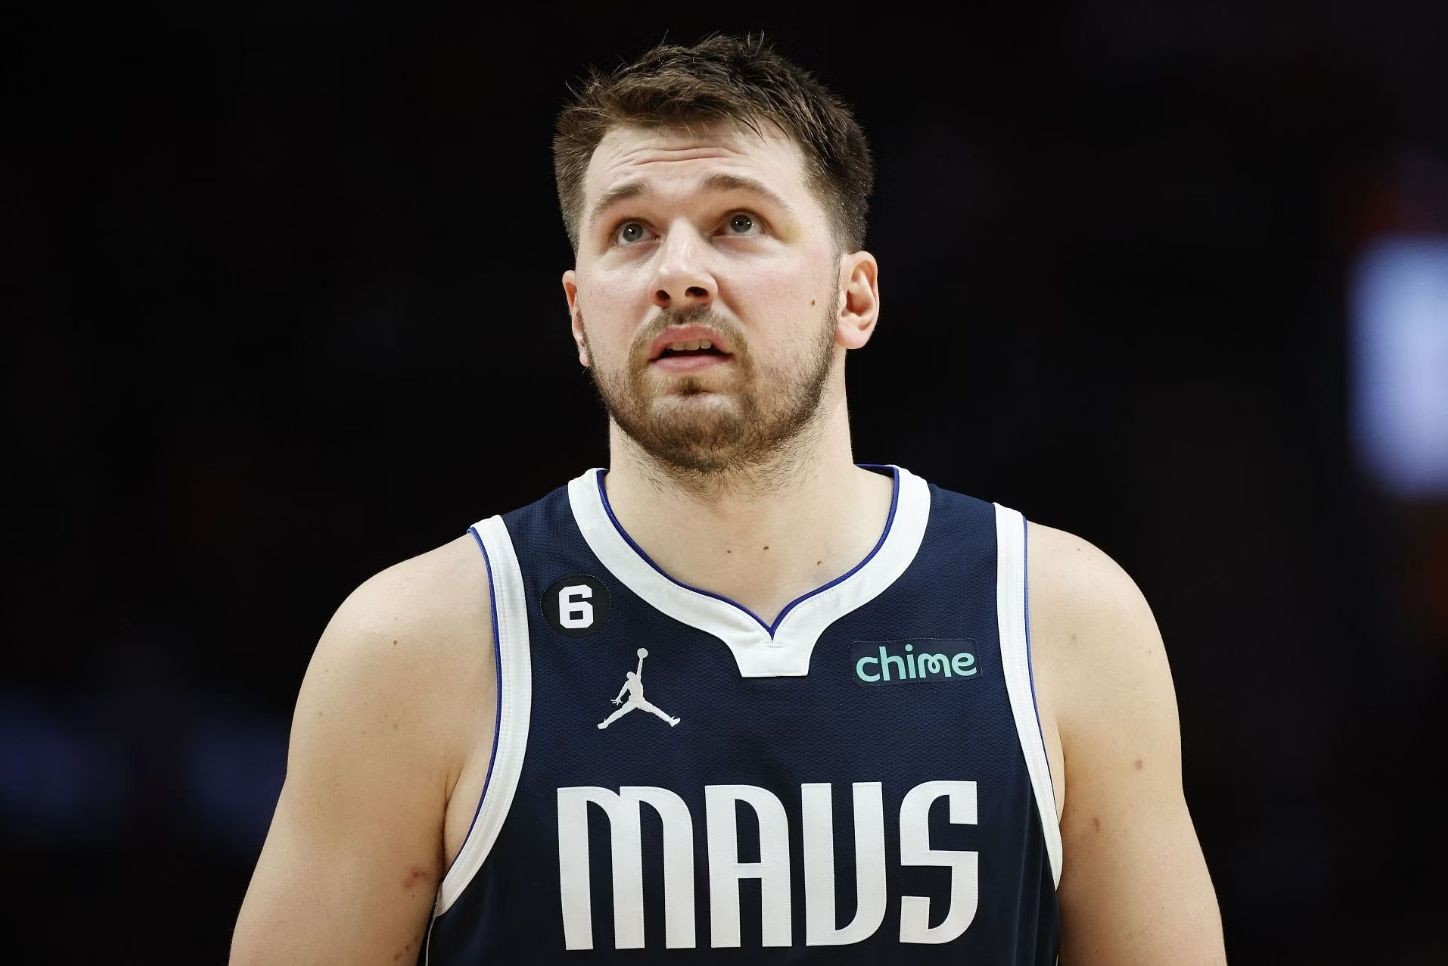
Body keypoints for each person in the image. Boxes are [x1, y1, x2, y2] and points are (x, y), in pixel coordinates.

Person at [230, 32, 1227, 965]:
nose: (678, 275)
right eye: (630, 232)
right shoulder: (412, 647)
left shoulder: (1058, 618)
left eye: (737, 222)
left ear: (854, 297)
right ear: (579, 316)